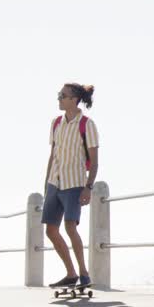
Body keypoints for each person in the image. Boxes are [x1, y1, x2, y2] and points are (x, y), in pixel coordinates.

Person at [44, 83, 100, 289]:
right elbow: (53, 155)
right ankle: (71, 273)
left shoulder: (87, 124)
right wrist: (46, 185)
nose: (59, 99)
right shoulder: (56, 123)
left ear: (74, 99)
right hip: (54, 182)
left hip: (75, 183)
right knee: (50, 230)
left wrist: (88, 187)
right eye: (59, 95)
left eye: (62, 95)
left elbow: (94, 162)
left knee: (69, 227)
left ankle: (84, 274)